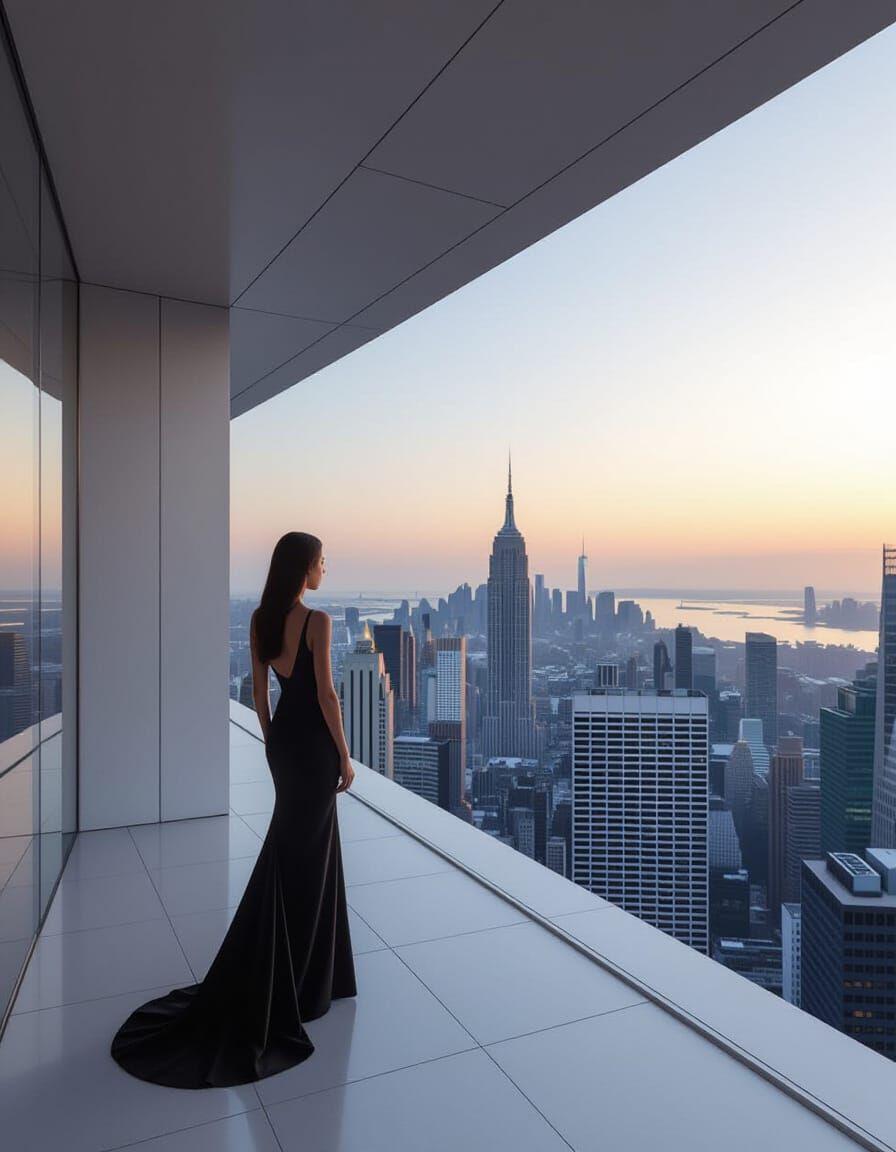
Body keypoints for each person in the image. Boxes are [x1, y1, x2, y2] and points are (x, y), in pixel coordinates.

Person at [110, 531, 357, 1087]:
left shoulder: (258, 620)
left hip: (284, 748)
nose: (325, 568)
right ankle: (306, 982)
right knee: (307, 856)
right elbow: (327, 696)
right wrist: (343, 753)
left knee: (297, 851)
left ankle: (305, 975)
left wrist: (271, 740)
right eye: (321, 561)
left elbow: (259, 689)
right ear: (303, 568)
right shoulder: (317, 622)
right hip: (315, 749)